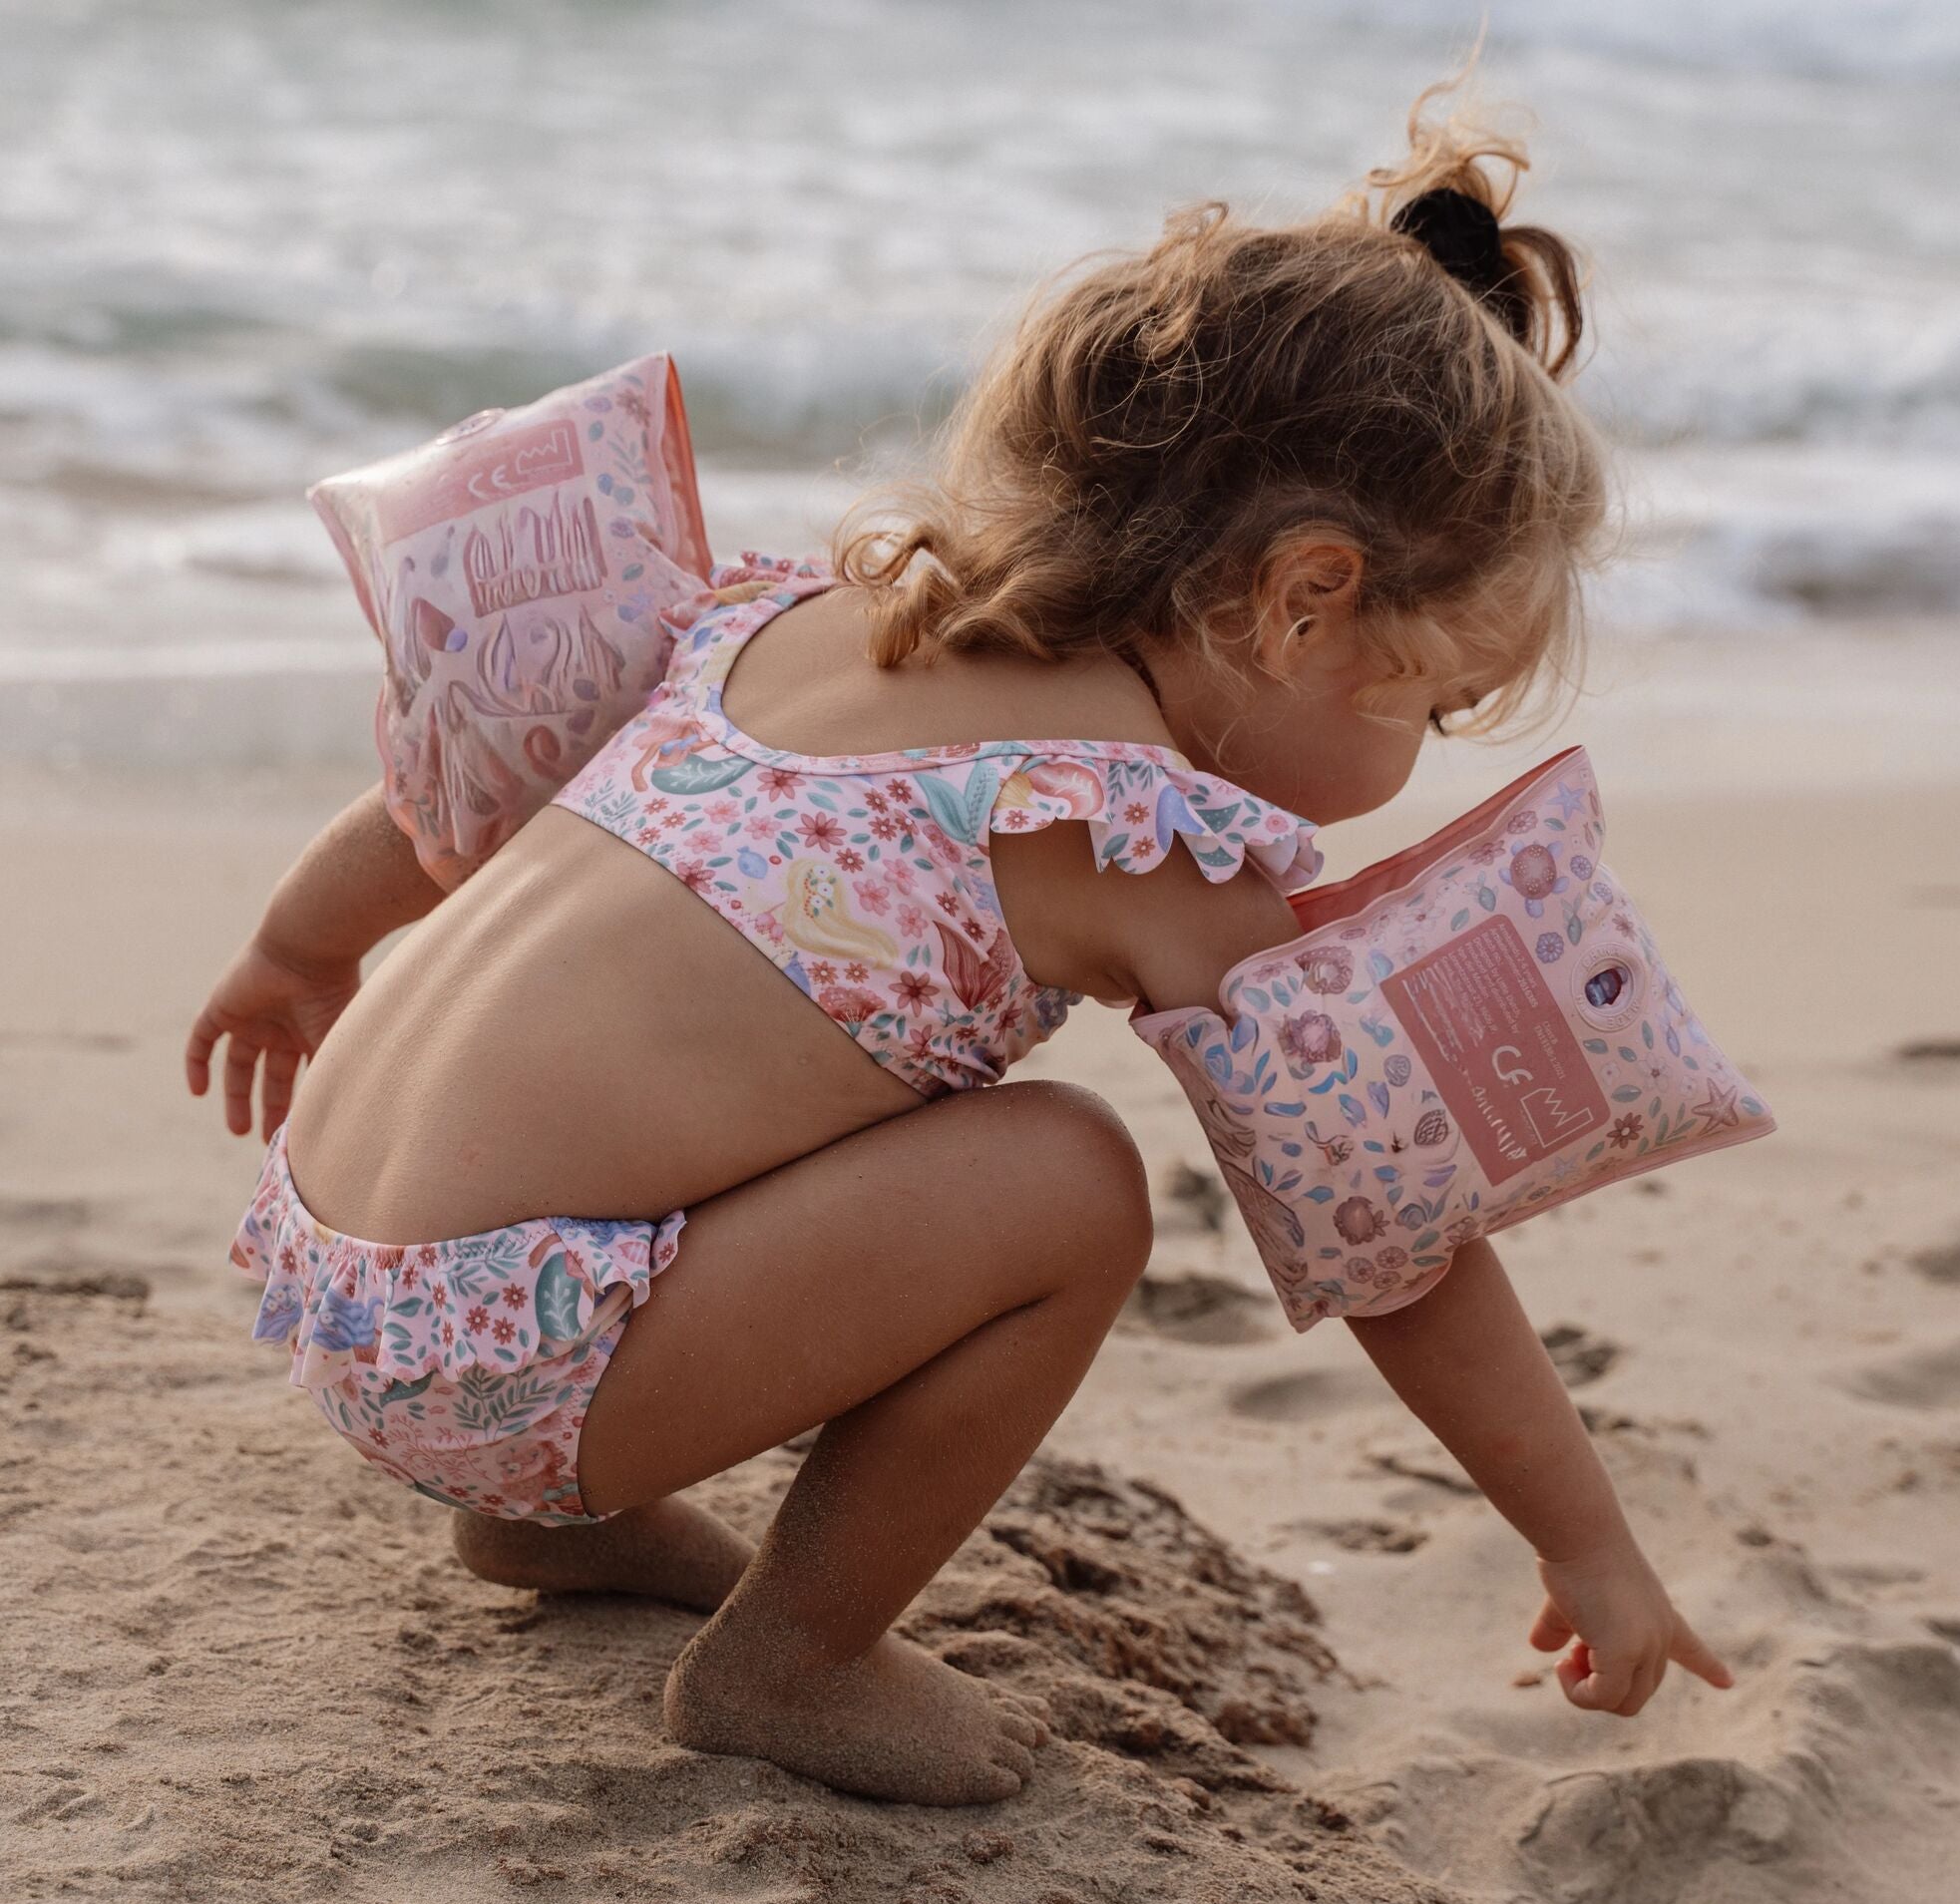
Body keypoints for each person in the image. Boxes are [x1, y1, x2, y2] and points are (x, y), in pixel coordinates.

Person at [187, 89, 1734, 1808]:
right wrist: (1587, 1541)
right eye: (1434, 708)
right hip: (509, 1360)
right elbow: (1397, 1239)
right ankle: (793, 1658)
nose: (1417, 757)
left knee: (780, 1066)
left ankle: (567, 1520)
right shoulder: (1144, 834)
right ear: (1307, 604)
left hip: (338, 1266)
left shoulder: (803, 618)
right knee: (1068, 1183)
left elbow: (459, 788)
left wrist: (293, 955)